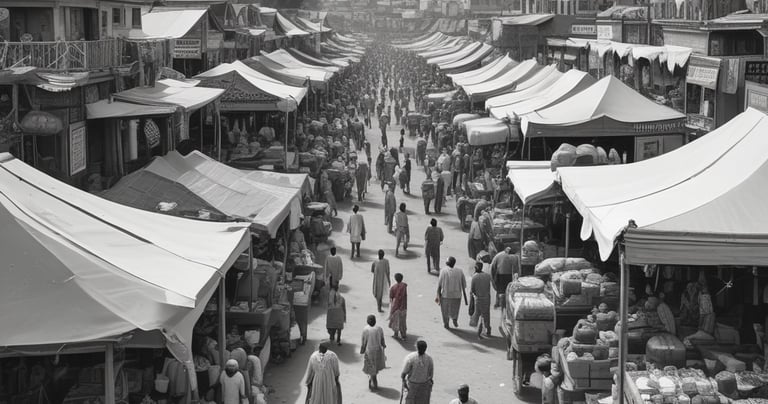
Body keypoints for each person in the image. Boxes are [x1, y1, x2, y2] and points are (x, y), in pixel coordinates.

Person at [436, 257, 468, 329]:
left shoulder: (443, 271)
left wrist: (438, 294)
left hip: (446, 295)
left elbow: (439, 284)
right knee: (455, 309)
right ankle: (454, 319)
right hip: (457, 295)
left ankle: (446, 323)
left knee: (445, 310)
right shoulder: (460, 271)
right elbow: (464, 284)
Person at [401, 339, 434, 404]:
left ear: (416, 347)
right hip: (424, 385)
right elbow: (431, 374)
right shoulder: (429, 359)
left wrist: (403, 381)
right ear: (425, 349)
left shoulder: (411, 357)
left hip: (412, 385)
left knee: (410, 401)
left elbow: (404, 372)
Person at [360, 314, 387, 390]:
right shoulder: (379, 328)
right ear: (375, 321)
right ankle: (373, 380)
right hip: (378, 351)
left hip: (369, 352)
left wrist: (362, 350)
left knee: (372, 368)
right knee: (375, 368)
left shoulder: (365, 329)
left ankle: (373, 383)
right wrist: (384, 345)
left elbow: (364, 342)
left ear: (367, 321)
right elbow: (382, 339)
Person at [470, 261, 493, 338]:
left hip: (478, 299)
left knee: (478, 315)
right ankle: (488, 329)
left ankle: (479, 332)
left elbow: (472, 290)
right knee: (486, 315)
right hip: (486, 299)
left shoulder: (474, 277)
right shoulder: (487, 276)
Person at [389, 273, 408, 340]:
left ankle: (396, 334)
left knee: (396, 321)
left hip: (396, 307)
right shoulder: (404, 286)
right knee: (403, 321)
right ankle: (403, 335)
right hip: (403, 306)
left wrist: (392, 309)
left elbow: (391, 297)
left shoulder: (393, 288)